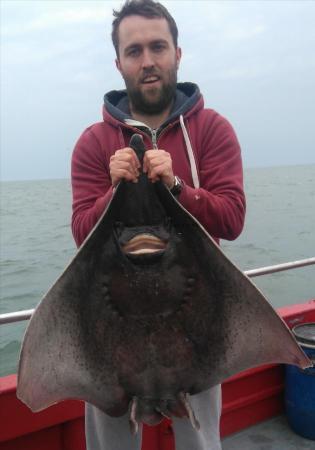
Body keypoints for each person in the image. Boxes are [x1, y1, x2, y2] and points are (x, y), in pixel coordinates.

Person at [71, 1, 246, 449]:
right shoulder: (93, 143)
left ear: (177, 53)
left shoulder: (212, 130)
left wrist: (179, 188)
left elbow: (232, 218)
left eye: (157, 47)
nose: (147, 61)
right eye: (134, 51)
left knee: (203, 442)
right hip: (112, 329)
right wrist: (113, 192)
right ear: (119, 63)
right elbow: (80, 232)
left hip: (197, 320)